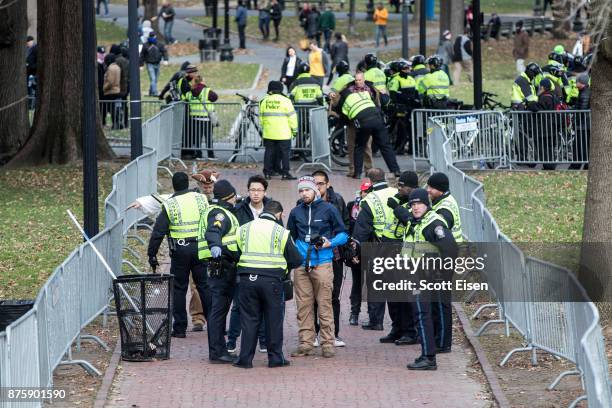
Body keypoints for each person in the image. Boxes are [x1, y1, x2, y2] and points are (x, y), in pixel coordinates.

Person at [232, 201, 303, 369]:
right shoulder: (281, 232)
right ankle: (275, 358)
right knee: (273, 320)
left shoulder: (244, 228)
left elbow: (235, 252)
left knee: (249, 320)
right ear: (278, 214)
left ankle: (245, 360)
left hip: (247, 279)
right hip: (272, 281)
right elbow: (296, 259)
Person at [288, 176, 348, 358]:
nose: (304, 193)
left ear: (315, 190)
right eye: (301, 190)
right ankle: (306, 343)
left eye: (307, 190)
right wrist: (295, 256)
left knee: (324, 304)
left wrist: (329, 243)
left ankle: (327, 343)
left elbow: (344, 234)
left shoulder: (329, 209)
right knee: (303, 305)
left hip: (322, 262)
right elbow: (290, 236)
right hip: (301, 265)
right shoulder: (295, 212)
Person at [147, 172, 209, 338]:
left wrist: (152, 255)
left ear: (173, 185)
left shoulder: (170, 205)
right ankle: (215, 324)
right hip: (201, 249)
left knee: (179, 289)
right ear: (187, 184)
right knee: (204, 286)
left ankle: (180, 328)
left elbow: (158, 232)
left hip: (180, 251)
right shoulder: (201, 199)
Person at [403, 188, 458, 370]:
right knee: (422, 314)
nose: (415, 207)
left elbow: (450, 250)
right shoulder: (416, 222)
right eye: (412, 204)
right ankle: (427, 354)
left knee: (422, 314)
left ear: (427, 204)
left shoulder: (433, 224)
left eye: (419, 203)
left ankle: (429, 357)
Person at [197, 180, 240, 364]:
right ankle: (217, 352)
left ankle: (220, 350)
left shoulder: (214, 209)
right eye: (234, 197)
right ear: (229, 197)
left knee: (218, 310)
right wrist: (216, 246)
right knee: (218, 311)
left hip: (218, 265)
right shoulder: (220, 214)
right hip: (221, 266)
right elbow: (213, 232)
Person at [227, 175, 272, 353]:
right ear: (248, 191)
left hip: (265, 263)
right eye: (252, 190)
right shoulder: (239, 210)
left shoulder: (271, 209)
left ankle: (262, 340)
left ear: (265, 192)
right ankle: (231, 340)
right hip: (243, 263)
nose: (255, 193)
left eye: (259, 190)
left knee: (262, 304)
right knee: (238, 304)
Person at [351, 168, 397, 330]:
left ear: (370, 182)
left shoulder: (369, 199)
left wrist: (355, 251)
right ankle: (398, 324)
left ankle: (376, 321)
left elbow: (362, 229)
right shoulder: (396, 191)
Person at [336, 72, 401, 178]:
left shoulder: (347, 97)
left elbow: (344, 113)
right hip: (376, 119)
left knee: (359, 146)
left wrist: (345, 123)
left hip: (362, 122)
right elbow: (375, 104)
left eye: (360, 80)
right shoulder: (366, 94)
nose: (358, 82)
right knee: (385, 146)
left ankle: (357, 174)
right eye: (356, 80)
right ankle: (396, 170)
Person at [311, 170, 349, 347]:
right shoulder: (305, 202)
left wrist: (334, 242)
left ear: (327, 184)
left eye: (320, 184)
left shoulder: (337, 201)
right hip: (313, 257)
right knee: (313, 297)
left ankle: (333, 334)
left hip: (334, 256)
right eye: (315, 184)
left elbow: (345, 226)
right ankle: (315, 332)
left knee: (333, 296)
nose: (317, 187)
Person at [382, 171, 420, 345]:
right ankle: (397, 328)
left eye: (402, 186)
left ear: (411, 187)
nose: (399, 189)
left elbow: (411, 222)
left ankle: (410, 331)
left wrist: (397, 208)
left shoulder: (417, 203)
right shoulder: (399, 200)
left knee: (404, 294)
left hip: (404, 252)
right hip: (389, 248)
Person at [426, 172, 463, 352]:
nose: (428, 190)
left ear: (439, 189)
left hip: (443, 259)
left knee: (441, 301)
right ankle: (438, 338)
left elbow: (439, 232)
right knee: (436, 299)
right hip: (441, 258)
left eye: (431, 187)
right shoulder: (441, 202)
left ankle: (443, 342)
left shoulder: (445, 209)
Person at [259, 81, 298, 180]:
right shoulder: (286, 100)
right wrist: (294, 131)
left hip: (269, 132)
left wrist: (264, 128)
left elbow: (261, 118)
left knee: (268, 153)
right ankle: (285, 173)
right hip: (283, 133)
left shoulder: (264, 101)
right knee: (285, 154)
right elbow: (292, 117)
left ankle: (267, 173)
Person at [346, 179, 372, 325]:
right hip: (356, 250)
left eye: (369, 192)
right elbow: (349, 228)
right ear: (360, 192)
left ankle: (371, 314)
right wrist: (351, 250)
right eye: (364, 192)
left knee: (371, 283)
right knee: (357, 283)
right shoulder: (352, 206)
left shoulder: (375, 207)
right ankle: (354, 313)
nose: (366, 194)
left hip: (371, 249)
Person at [388, 60, 418, 154]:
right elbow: (393, 95)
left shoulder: (411, 79)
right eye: (405, 68)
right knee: (401, 130)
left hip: (411, 107)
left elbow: (416, 93)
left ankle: (412, 149)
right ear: (401, 70)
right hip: (401, 107)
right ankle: (399, 148)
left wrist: (415, 100)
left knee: (412, 129)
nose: (408, 70)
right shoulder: (396, 80)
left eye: (408, 68)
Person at [185, 75, 219, 159]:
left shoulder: (189, 93)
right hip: (206, 118)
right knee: (208, 138)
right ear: (202, 81)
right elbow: (215, 97)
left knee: (197, 138)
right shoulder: (206, 91)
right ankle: (210, 155)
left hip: (195, 118)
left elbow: (185, 99)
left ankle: (198, 155)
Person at [139, 33, 168, 97]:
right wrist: (141, 64)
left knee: (155, 80)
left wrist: (165, 59)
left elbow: (164, 51)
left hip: (157, 64)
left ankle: (151, 92)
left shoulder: (159, 44)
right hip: (149, 64)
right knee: (153, 79)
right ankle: (155, 92)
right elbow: (142, 55)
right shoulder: (145, 45)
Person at [110, 45, 129, 129]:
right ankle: (125, 122)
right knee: (124, 105)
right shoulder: (126, 61)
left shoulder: (116, 61)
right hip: (126, 86)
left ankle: (117, 123)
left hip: (118, 87)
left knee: (116, 105)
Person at [102, 54, 122, 130]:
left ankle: (115, 124)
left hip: (110, 91)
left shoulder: (110, 68)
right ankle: (116, 123)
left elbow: (110, 81)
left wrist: (104, 88)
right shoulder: (117, 67)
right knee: (114, 109)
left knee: (110, 109)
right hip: (117, 90)